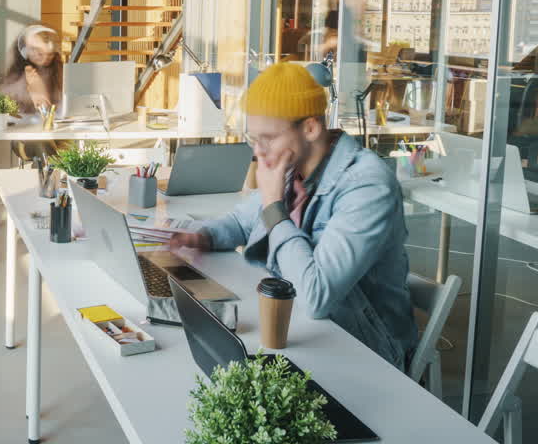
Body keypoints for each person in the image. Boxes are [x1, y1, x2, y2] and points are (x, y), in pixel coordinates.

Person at [167, 63, 418, 369]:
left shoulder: (367, 185)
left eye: (268, 138)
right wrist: (202, 236)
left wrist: (275, 208)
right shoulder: (294, 164)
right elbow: (240, 222)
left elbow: (315, 297)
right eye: (253, 139)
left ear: (310, 128)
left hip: (362, 349)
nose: (258, 153)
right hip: (298, 332)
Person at [0, 24, 63, 113]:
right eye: (40, 53)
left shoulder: (57, 70)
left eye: (50, 54)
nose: (46, 58)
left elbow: (62, 101)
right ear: (26, 50)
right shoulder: (18, 75)